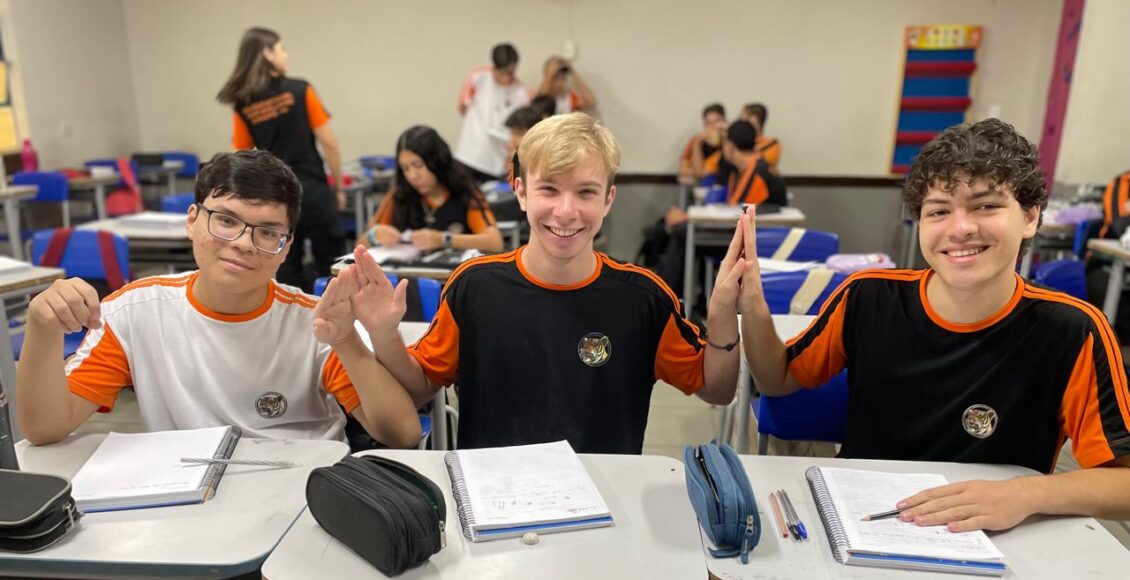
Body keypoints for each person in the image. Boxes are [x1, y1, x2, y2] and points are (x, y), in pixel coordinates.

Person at [740, 118, 1130, 532]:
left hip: (993, 538)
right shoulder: (868, 297)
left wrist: (1025, 494)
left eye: (986, 206)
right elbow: (777, 378)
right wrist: (753, 306)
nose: (960, 229)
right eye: (939, 211)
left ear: (1030, 217)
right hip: (863, 521)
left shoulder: (1072, 330)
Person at [335, 112, 746, 454]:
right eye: (549, 189)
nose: (566, 211)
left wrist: (722, 315)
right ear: (521, 192)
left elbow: (717, 389)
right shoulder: (474, 288)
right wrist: (384, 335)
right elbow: (421, 386)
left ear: (608, 200)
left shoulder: (643, 298)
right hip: (494, 496)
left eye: (586, 192)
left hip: (604, 498)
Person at [16, 150, 421, 448]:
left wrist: (347, 341)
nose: (243, 243)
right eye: (226, 220)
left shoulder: (313, 322)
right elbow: (45, 428)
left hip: (299, 496)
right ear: (192, 220)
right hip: (187, 503)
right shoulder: (133, 313)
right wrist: (42, 326)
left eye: (267, 232)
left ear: (285, 248)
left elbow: (402, 434)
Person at [217, 27, 345, 293]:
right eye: (282, 49)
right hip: (313, 190)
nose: (286, 55)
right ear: (267, 53)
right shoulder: (300, 90)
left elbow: (240, 155)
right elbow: (329, 142)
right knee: (333, 267)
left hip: (275, 197)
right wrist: (339, 187)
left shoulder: (243, 102)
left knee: (286, 270)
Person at [360, 126, 503, 254]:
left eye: (418, 165)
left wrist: (444, 239)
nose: (413, 176)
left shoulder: (465, 192)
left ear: (436, 161)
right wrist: (374, 235)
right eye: (405, 168)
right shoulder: (399, 194)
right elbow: (361, 244)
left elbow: (495, 243)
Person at [454, 42, 530, 183]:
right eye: (503, 73)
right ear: (494, 68)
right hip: (468, 154)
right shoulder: (478, 77)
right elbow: (462, 107)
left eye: (511, 72)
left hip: (497, 163)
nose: (507, 78)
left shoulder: (522, 92)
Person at [678, 103, 727, 180]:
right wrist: (697, 144)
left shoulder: (731, 140)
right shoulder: (697, 140)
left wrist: (725, 139)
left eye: (717, 121)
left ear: (724, 122)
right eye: (708, 123)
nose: (713, 126)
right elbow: (684, 168)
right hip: (700, 182)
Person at [739, 102, 782, 175]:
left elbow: (763, 168)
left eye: (744, 117)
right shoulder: (735, 142)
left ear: (755, 119)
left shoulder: (772, 144)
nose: (740, 123)